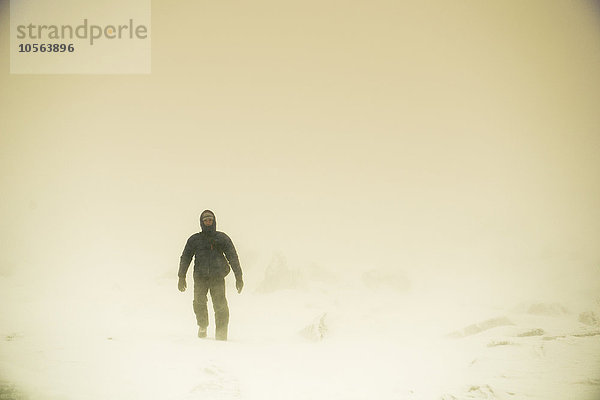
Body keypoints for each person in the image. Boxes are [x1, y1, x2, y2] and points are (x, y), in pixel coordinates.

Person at [178, 210, 243, 340]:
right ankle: (202, 325)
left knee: (221, 306)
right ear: (201, 223)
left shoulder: (222, 238)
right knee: (199, 303)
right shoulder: (194, 239)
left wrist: (239, 277)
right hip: (200, 277)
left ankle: (221, 333)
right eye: (206, 220)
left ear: (214, 221)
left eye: (210, 220)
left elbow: (233, 257)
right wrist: (181, 276)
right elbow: (186, 257)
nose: (208, 222)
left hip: (217, 277)